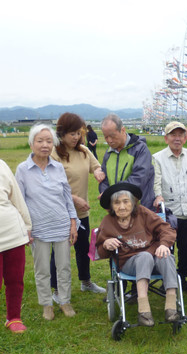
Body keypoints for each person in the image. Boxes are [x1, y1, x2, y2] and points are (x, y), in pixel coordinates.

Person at [16, 124, 78, 320]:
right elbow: (20, 201)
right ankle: (46, 304)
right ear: (32, 143)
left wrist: (73, 221)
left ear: (54, 144)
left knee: (64, 267)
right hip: (38, 228)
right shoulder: (23, 170)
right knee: (42, 269)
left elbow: (67, 196)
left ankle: (65, 301)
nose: (44, 145)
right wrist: (26, 228)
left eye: (49, 141)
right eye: (40, 141)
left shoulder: (58, 167)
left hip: (61, 225)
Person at [96, 182, 179, 326]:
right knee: (144, 256)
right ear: (112, 206)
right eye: (117, 203)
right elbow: (101, 252)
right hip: (128, 263)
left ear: (133, 203)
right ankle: (144, 310)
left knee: (167, 256)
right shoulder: (108, 222)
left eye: (125, 202)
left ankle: (171, 308)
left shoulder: (143, 213)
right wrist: (106, 243)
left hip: (154, 258)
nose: (121, 207)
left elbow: (167, 229)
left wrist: (164, 245)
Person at [51, 113, 106, 303]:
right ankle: (57, 289)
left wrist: (98, 172)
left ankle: (86, 281)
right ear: (62, 133)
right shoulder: (54, 153)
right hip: (61, 211)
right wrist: (74, 198)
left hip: (81, 213)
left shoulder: (83, 151)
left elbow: (96, 166)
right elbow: (52, 185)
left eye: (78, 133)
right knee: (60, 251)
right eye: (72, 133)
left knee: (83, 248)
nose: (76, 137)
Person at [152, 121, 187, 290]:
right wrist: (158, 196)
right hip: (169, 212)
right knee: (167, 246)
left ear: (185, 138)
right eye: (173, 135)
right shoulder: (157, 158)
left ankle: (183, 278)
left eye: (180, 135)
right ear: (166, 138)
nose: (177, 138)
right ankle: (168, 279)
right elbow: (156, 181)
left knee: (186, 246)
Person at [0, 159, 32, 332]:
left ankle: (13, 318)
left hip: (12, 232)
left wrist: (27, 226)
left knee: (15, 279)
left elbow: (17, 197)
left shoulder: (2, 165)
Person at [99, 114, 155, 210]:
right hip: (117, 208)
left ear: (123, 130)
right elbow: (104, 179)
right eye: (106, 137)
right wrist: (105, 194)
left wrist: (113, 194)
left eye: (112, 136)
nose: (109, 140)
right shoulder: (108, 153)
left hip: (139, 206)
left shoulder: (140, 149)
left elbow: (139, 178)